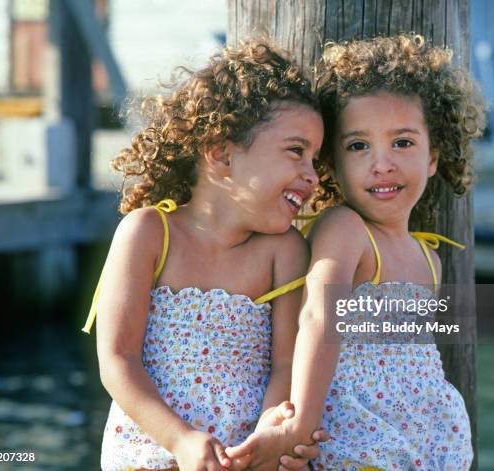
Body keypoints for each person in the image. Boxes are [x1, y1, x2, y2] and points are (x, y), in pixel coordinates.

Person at [225, 34, 486, 470]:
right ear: (333, 163)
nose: (381, 163)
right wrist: (301, 423)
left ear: (434, 157)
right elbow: (317, 317)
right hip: (361, 436)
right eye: (358, 146)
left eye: (402, 143)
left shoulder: (430, 260)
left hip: (426, 440)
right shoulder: (346, 228)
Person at [81, 39, 328, 471]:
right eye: (296, 151)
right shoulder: (147, 234)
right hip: (152, 451)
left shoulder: (284, 251)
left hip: (243, 457)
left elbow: (287, 363)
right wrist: (180, 441)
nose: (311, 175)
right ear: (221, 153)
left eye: (315, 158)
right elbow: (118, 360)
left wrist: (267, 435)